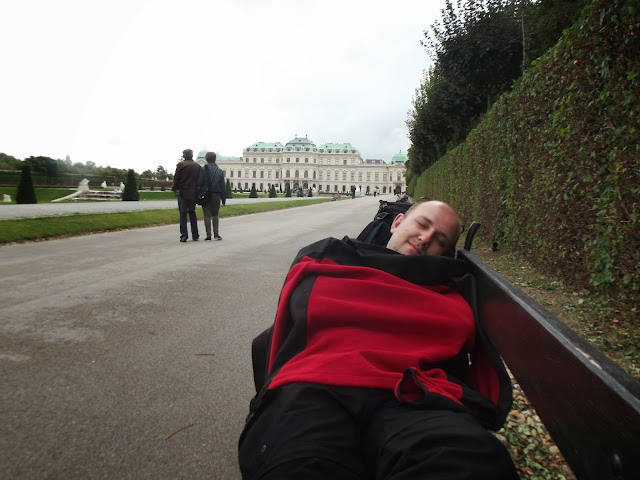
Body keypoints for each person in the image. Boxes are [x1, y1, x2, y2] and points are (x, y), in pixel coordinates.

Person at [238, 200, 518, 479]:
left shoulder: (447, 289)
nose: (425, 238)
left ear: (444, 254)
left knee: (469, 461)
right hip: (318, 384)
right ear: (397, 222)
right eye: (422, 225)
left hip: (415, 393)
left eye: (440, 240)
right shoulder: (334, 256)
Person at [172, 148, 201, 242]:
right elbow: (199, 181)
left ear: (184, 156)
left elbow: (176, 178)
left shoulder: (181, 165)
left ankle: (184, 235)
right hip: (193, 193)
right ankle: (195, 235)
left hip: (182, 192)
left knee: (183, 214)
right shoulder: (197, 166)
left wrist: (174, 188)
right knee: (192, 213)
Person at [197, 151, 226, 241]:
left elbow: (199, 183)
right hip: (216, 195)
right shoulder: (219, 171)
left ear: (206, 159)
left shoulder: (203, 169)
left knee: (207, 215)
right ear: (215, 159)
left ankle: (208, 235)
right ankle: (216, 234)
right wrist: (223, 199)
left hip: (206, 195)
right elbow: (223, 186)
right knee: (215, 215)